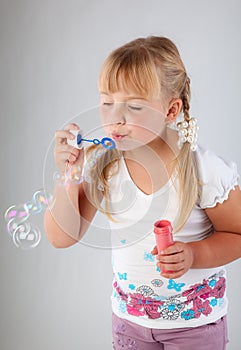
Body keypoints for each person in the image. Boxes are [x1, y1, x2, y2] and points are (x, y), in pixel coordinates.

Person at [44, 36, 241, 350]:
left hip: (194, 327)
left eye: (133, 106)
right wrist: (70, 174)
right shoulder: (103, 166)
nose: (115, 118)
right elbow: (61, 236)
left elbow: (238, 233)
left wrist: (194, 255)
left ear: (171, 110)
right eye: (107, 102)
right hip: (129, 324)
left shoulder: (203, 169)